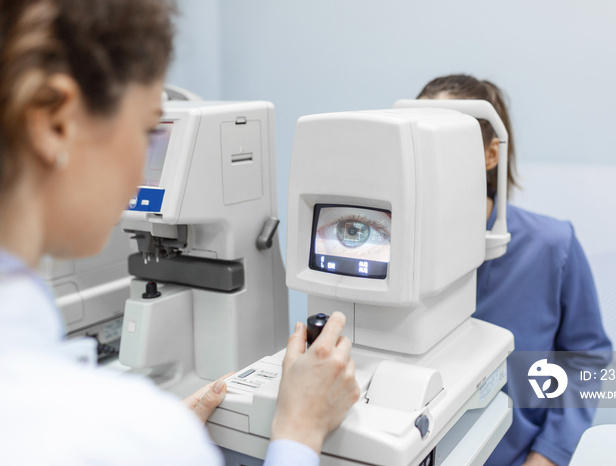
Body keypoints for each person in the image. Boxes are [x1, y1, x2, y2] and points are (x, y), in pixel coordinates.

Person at [0, 0, 359, 464]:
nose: (140, 175)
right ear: (54, 123)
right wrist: (299, 430)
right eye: (149, 129)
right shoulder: (124, 436)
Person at [417, 74, 612, 466]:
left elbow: (585, 360)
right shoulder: (398, 249)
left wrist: (548, 455)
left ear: (491, 154)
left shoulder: (552, 246)